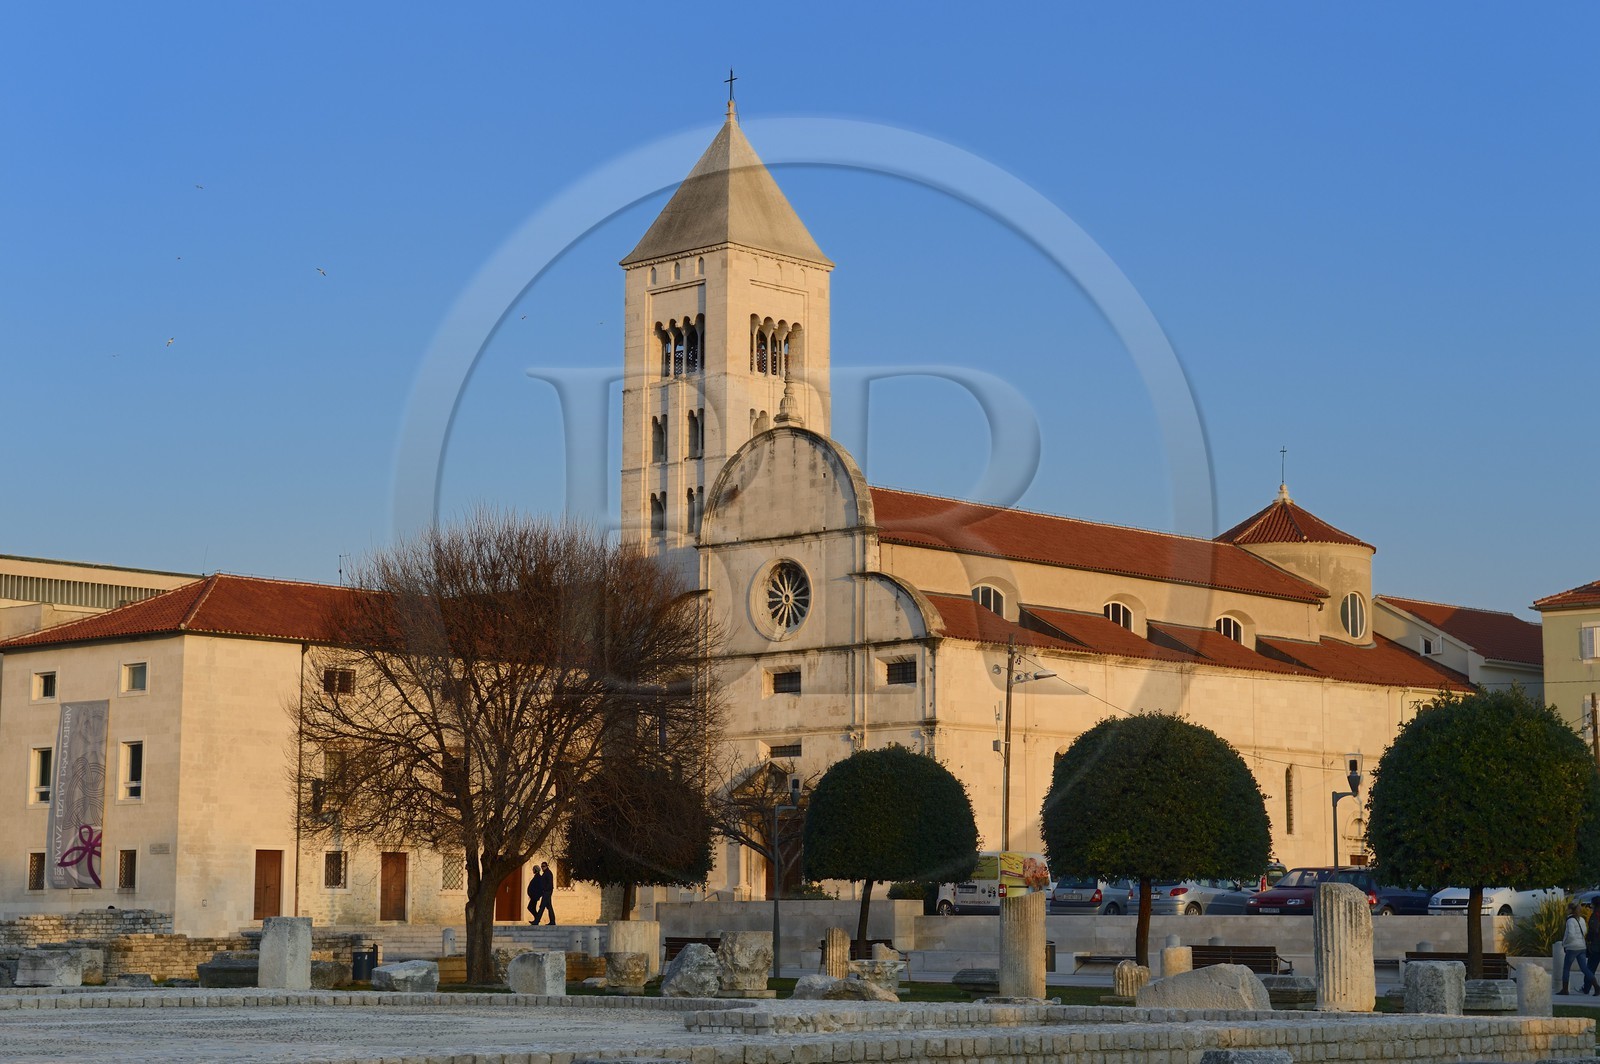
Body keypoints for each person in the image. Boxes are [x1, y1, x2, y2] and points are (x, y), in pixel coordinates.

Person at [1561, 901, 1596, 995]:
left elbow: (1571, 935)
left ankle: (1565, 989)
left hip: (1572, 947)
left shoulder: (1570, 920)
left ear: (1570, 910)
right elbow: (1584, 931)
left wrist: (1565, 943)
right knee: (1584, 968)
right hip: (1582, 946)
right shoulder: (1581, 919)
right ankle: (1596, 986)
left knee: (1566, 968)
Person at [531, 861, 557, 926]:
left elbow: (549, 884)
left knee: (542, 907)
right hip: (546, 892)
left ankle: (536, 921)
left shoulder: (548, 873)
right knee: (549, 907)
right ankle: (552, 921)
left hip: (547, 892)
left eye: (544, 866)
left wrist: (544, 890)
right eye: (542, 866)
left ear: (546, 866)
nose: (542, 868)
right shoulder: (546, 873)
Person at [1585, 899, 1600, 994]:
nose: (1591, 906)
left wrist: (1588, 940)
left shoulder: (1595, 915)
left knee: (1590, 967)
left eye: (1592, 904)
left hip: (1596, 945)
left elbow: (1592, 930)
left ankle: (1587, 987)